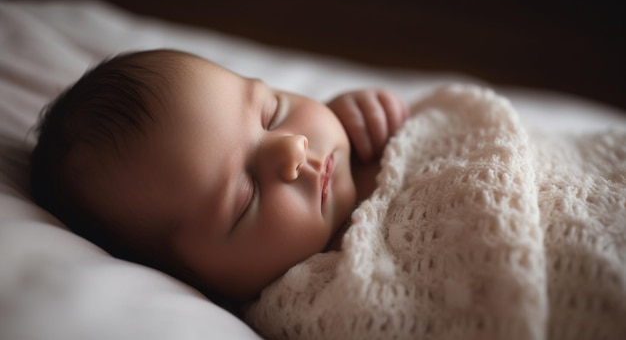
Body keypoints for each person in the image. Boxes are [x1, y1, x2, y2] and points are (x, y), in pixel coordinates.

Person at [30, 49, 408, 303]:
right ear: (192, 280)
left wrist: (359, 113)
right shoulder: (309, 305)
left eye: (272, 113)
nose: (292, 147)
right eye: (246, 195)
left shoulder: (356, 143)